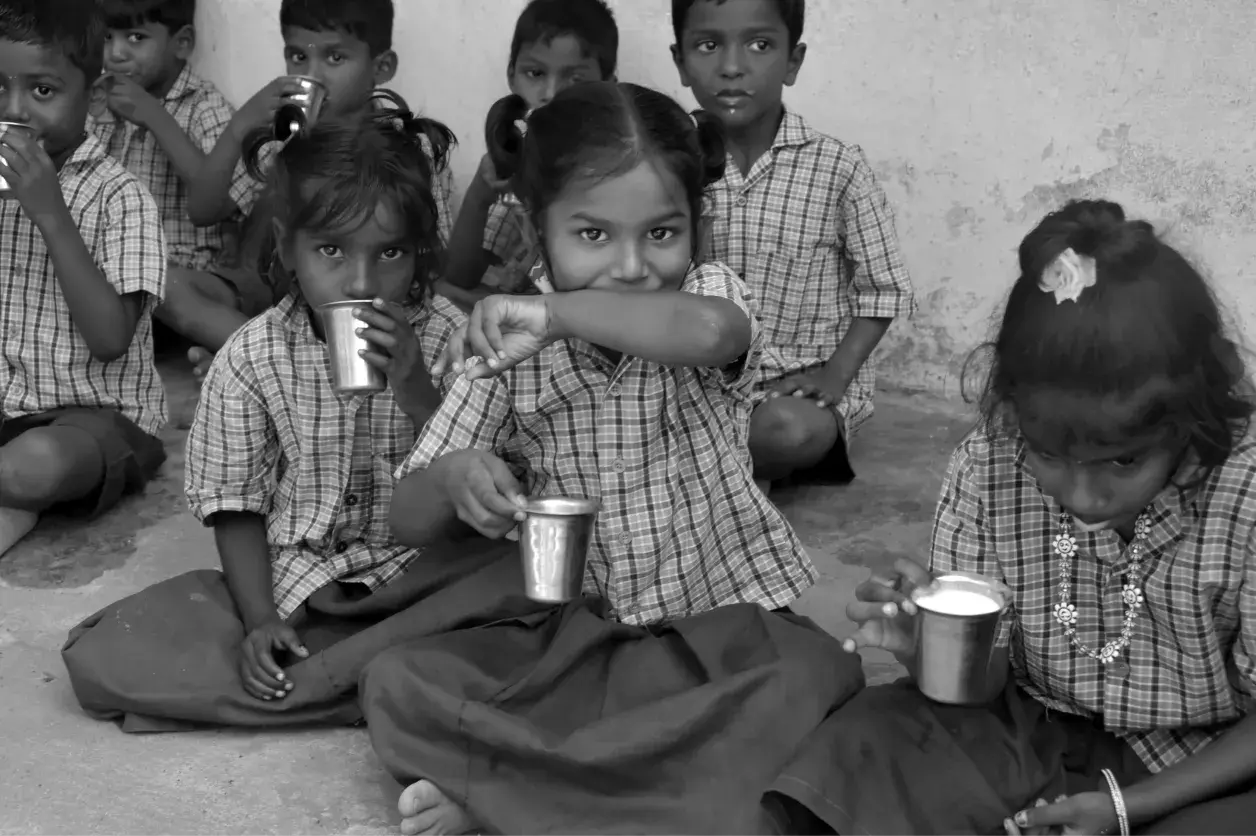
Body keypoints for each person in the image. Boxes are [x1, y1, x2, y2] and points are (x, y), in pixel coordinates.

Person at [359, 81, 863, 836]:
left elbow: (709, 335)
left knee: (819, 676)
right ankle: (621, 794)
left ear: (699, 226)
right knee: (397, 682)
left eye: (661, 233)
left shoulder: (706, 295)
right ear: (537, 230)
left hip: (716, 628)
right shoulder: (506, 351)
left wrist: (556, 314)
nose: (631, 267)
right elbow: (405, 516)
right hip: (580, 640)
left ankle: (512, 793)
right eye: (592, 236)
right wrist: (456, 477)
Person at [774, 200, 1256, 835]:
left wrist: (1128, 809)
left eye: (1123, 462)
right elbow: (980, 685)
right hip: (1024, 723)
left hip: (1204, 759)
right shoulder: (989, 460)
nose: (1084, 496)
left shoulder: (1243, 488)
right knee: (866, 742)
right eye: (1051, 455)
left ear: (1192, 420)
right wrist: (931, 648)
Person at [62, 104, 469, 727]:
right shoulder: (252, 358)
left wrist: (416, 392)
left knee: (522, 587)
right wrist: (259, 621)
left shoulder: (448, 340)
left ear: (419, 254)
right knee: (112, 654)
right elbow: (236, 505)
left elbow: (479, 484)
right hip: (304, 588)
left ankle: (366, 675)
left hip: (420, 579)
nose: (361, 281)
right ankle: (372, 679)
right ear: (287, 246)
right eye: (331, 249)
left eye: (390, 254)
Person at [671, 0, 916, 492]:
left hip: (793, 390)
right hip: (691, 388)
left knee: (788, 432)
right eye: (708, 45)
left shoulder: (837, 167)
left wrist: (834, 378)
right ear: (680, 61)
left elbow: (883, 290)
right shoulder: (668, 162)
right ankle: (725, 477)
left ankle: (717, 478)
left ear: (793, 62)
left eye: (760, 45)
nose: (732, 66)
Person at [181, 0, 452, 376]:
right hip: (271, 297)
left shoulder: (404, 150)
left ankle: (252, 363)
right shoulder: (282, 139)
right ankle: (252, 359)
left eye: (335, 58)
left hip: (361, 295)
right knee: (168, 285)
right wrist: (241, 125)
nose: (312, 76)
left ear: (381, 67)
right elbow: (202, 210)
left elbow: (429, 265)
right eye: (297, 57)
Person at [0, 0, 167, 559]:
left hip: (92, 419)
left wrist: (50, 213)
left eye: (42, 91)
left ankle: (16, 493)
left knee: (35, 466)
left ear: (92, 96)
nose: (15, 110)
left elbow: (110, 339)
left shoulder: (121, 197)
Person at [438, 0, 617, 312]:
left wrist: (487, 301)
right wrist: (481, 193)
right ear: (512, 76)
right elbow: (460, 276)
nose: (550, 93)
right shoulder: (511, 164)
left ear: (608, 87)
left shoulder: (615, 175)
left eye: (575, 79)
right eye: (535, 73)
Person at [93, 0, 245, 349]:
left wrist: (155, 117)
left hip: (191, 278)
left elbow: (220, 202)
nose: (116, 53)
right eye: (106, 37)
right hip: (117, 275)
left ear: (182, 43)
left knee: (163, 286)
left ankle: (267, 362)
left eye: (136, 37)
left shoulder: (205, 107)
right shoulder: (97, 104)